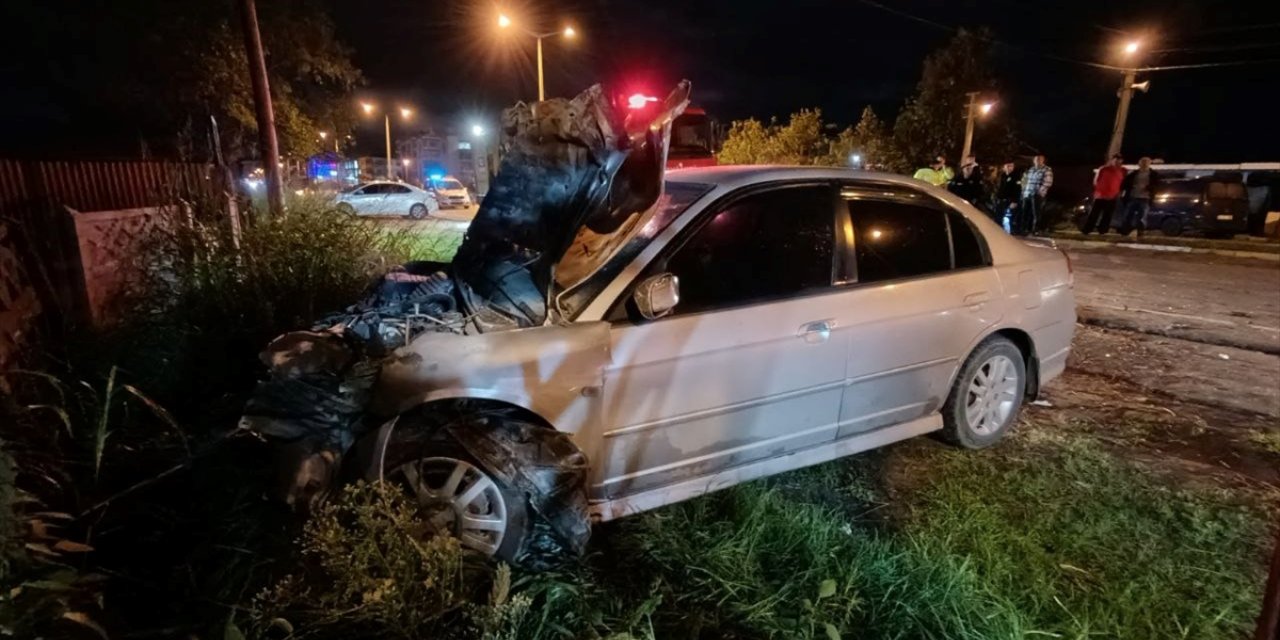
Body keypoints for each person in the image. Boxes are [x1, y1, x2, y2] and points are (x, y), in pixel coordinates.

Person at [1080, 154, 1126, 234]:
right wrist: (1098, 192)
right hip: (1101, 196)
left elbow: (1123, 183)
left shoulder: (1123, 170)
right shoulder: (1104, 169)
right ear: (1112, 160)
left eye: (1118, 160)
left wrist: (1119, 193)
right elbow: (1096, 181)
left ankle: (1103, 230)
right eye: (1114, 160)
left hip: (1113, 196)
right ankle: (1087, 229)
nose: (1116, 162)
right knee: (1094, 214)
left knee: (1107, 215)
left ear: (1121, 161)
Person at [1117, 157, 1161, 238]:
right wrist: (1122, 191)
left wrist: (1149, 188)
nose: (1144, 164)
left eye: (1146, 162)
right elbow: (1124, 183)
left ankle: (1140, 232)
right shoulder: (1134, 174)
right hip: (1133, 196)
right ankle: (1125, 231)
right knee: (1128, 215)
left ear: (1149, 164)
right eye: (1142, 162)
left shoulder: (1153, 174)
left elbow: (1157, 186)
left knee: (1142, 217)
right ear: (1139, 164)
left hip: (1145, 198)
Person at [1015, 154, 1053, 236]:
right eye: (1035, 160)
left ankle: (1035, 230)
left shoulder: (1046, 169)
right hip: (1027, 193)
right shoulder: (1031, 170)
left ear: (1042, 160)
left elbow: (1047, 182)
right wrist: (1023, 191)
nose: (1037, 161)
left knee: (1036, 213)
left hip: (1037, 194)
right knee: (1025, 212)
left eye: (1039, 159)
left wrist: (1039, 192)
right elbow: (1025, 181)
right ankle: (1024, 229)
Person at [994, 161, 1021, 229]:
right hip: (1000, 200)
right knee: (998, 217)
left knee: (1008, 219)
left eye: (1011, 166)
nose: (1009, 168)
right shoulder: (1002, 176)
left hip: (1009, 201)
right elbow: (999, 188)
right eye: (1008, 166)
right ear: (1004, 167)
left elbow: (1017, 190)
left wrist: (1015, 201)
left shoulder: (1016, 177)